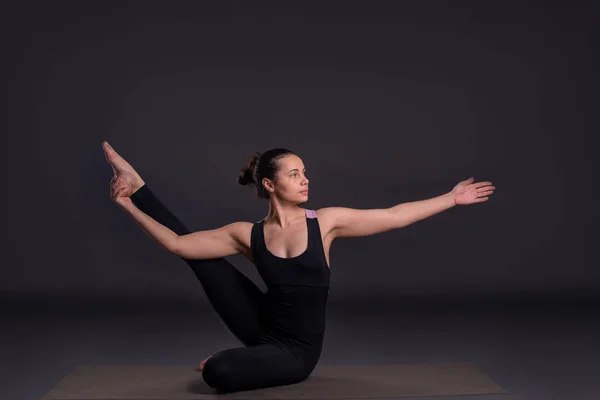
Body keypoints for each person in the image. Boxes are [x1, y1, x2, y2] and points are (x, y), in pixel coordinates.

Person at [101, 141, 495, 393]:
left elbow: (394, 215)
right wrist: (129, 203)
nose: (305, 180)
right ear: (270, 185)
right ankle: (138, 184)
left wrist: (451, 198)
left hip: (296, 352)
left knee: (217, 373)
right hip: (261, 326)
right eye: (295, 174)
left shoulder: (324, 223)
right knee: (202, 261)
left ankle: (246, 362)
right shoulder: (247, 233)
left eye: (304, 172)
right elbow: (177, 243)